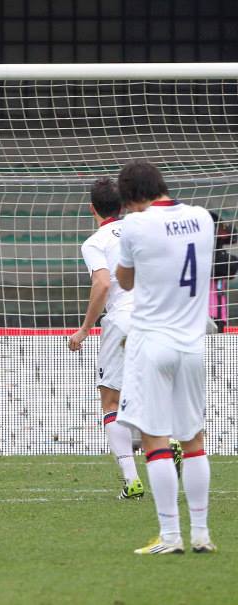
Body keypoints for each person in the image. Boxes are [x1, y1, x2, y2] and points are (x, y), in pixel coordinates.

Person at [114, 159, 217, 555]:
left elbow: (124, 280)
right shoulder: (201, 218)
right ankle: (202, 534)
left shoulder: (136, 225)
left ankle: (171, 536)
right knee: (193, 441)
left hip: (152, 342)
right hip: (192, 344)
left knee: (156, 440)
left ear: (133, 199)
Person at [68, 177, 142, 499]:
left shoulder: (95, 241)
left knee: (111, 401)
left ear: (91, 208)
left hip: (123, 320)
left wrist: (85, 329)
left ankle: (131, 480)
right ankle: (169, 443)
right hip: (158, 317)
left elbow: (101, 285)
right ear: (123, 205)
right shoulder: (142, 230)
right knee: (149, 393)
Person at [208, 210, 238, 332]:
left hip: (218, 317)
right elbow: (228, 267)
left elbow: (233, 235)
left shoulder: (218, 254)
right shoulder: (206, 257)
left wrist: (220, 227)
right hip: (207, 318)